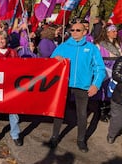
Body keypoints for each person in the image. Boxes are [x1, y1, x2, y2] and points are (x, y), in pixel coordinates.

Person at [47, 21, 106, 152]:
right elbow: (50, 64)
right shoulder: (63, 46)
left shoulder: (91, 48)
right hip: (64, 85)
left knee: (82, 114)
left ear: (84, 32)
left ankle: (81, 140)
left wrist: (95, 85)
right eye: (72, 30)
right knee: (59, 112)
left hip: (83, 86)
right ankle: (54, 137)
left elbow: (100, 69)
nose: (74, 32)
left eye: (77, 30)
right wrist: (54, 59)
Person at [107, 55, 122, 144]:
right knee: (117, 119)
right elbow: (116, 74)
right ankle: (111, 135)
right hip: (119, 95)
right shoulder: (120, 60)